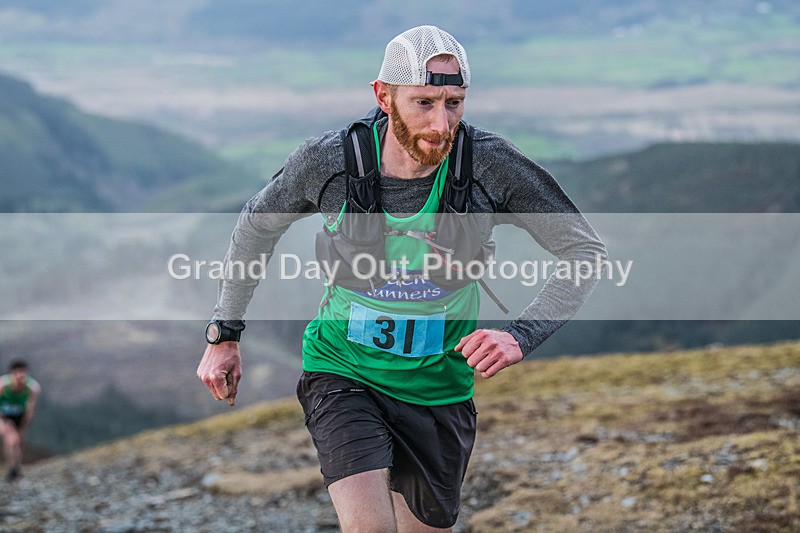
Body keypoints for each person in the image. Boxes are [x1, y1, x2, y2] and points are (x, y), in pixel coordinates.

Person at [198, 25, 607, 531]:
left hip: (439, 388)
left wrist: (520, 335)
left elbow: (584, 251)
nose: (441, 123)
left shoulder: (489, 164)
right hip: (343, 369)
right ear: (383, 96)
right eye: (424, 103)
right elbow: (255, 229)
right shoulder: (330, 163)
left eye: (454, 103)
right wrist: (224, 334)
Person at [0, 360, 41, 482]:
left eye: (23, 373)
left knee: (19, 441)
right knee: (11, 440)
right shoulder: (3, 385)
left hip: (20, 416)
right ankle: (11, 468)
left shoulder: (33, 388)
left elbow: (30, 409)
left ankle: (16, 467)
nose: (20, 377)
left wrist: (23, 425)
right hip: (4, 416)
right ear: (12, 374)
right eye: (18, 373)